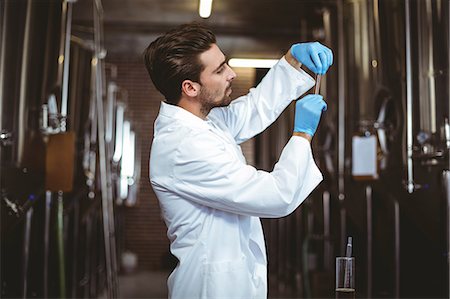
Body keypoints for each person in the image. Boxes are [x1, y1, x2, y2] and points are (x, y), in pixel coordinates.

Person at [143, 23, 332, 298]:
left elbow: (253, 109)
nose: (231, 74)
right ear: (190, 87)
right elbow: (277, 195)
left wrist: (293, 60)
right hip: (209, 289)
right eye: (219, 70)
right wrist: (302, 134)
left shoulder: (205, 123)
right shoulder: (183, 147)